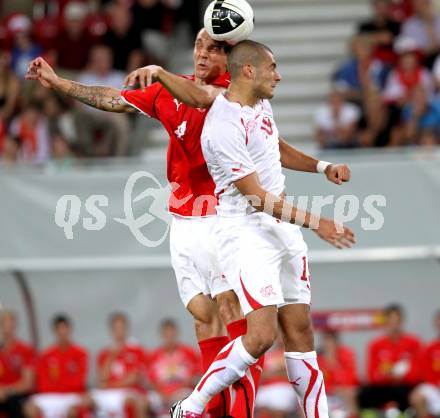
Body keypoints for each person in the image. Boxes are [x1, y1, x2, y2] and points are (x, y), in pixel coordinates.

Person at [27, 30, 352, 417]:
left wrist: (161, 72)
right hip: (183, 220)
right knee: (203, 319)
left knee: (240, 319)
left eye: (213, 48)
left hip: (222, 216)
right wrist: (59, 82)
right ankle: (208, 409)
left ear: (230, 59)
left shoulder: (229, 95)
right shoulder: (173, 92)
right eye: (198, 45)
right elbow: (115, 100)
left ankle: (223, 411)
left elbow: (225, 114)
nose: (201, 53)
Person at [170, 39, 355, 418]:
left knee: (301, 332)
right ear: (249, 70)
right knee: (260, 337)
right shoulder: (220, 126)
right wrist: (317, 222)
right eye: (273, 67)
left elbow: (276, 147)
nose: (279, 75)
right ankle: (191, 406)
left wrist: (322, 167)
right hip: (246, 233)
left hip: (282, 229)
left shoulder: (260, 104)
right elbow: (256, 197)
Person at [359, 304, 422, 411]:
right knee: (363, 395)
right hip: (383, 387)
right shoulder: (375, 344)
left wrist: (401, 376)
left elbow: (418, 373)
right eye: (390, 322)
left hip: (406, 387)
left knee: (415, 394)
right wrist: (387, 375)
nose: (394, 326)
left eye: (397, 322)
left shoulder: (414, 342)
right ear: (385, 323)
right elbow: (371, 375)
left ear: (402, 322)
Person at [24, 314, 88, 418]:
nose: (62, 332)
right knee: (30, 408)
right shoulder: (46, 355)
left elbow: (79, 382)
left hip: (71, 396)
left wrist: (59, 385)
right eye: (59, 329)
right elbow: (43, 384)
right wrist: (60, 386)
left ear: (69, 329)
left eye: (65, 328)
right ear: (54, 331)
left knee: (73, 410)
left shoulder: (80, 353)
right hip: (51, 396)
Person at [89, 312, 147, 418]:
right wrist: (112, 356)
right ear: (111, 330)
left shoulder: (136, 350)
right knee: (85, 401)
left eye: (121, 328)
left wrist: (108, 385)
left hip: (128, 392)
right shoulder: (104, 353)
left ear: (126, 329)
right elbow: (102, 379)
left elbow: (133, 379)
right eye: (116, 328)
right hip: (108, 393)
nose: (119, 331)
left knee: (136, 402)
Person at [147, 319, 200, 415]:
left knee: (186, 399)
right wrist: (162, 394)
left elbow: (195, 376)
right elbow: (150, 381)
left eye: (171, 334)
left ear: (176, 333)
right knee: (144, 402)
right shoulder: (154, 355)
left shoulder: (189, 353)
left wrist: (177, 391)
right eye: (166, 334)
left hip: (182, 391)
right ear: (162, 335)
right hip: (161, 394)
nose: (169, 337)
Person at [0, 310, 35, 418]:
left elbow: (27, 383)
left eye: (10, 324)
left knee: (16, 403)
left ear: (15, 326)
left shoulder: (25, 350)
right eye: (4, 323)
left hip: (18, 397)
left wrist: (7, 391)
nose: (8, 328)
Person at [317, 330, 359, 418]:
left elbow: (352, 378)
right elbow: (318, 383)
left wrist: (335, 365)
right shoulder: (317, 360)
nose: (327, 344)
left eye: (330, 340)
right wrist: (334, 389)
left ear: (336, 342)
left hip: (344, 393)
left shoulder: (346, 355)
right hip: (325, 395)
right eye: (325, 340)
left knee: (350, 396)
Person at [409, 310, 440, 418]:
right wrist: (436, 383)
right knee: (416, 396)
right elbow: (425, 372)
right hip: (434, 387)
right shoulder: (429, 348)